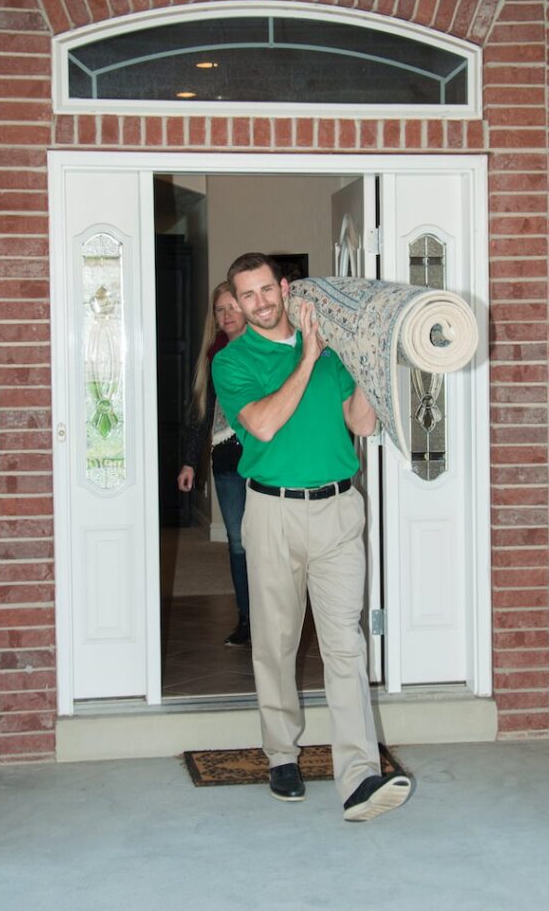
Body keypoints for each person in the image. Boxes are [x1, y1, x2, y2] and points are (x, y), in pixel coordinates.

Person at [211, 252, 413, 822]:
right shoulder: (234, 361)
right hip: (272, 512)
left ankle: (360, 778)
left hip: (337, 510)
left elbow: (362, 423)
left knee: (345, 644)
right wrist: (308, 356)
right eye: (245, 296)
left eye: (265, 290)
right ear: (239, 302)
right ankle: (281, 753)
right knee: (274, 644)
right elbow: (265, 423)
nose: (259, 303)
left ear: (283, 287)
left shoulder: (328, 345)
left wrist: (371, 364)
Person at [177, 282, 250, 646]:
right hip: (226, 461)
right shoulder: (213, 355)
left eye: (233, 307)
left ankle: (277, 618)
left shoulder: (266, 348)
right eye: (220, 310)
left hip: (266, 458)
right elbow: (201, 414)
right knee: (238, 541)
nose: (227, 315)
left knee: (272, 542)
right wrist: (190, 462)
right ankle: (247, 619)